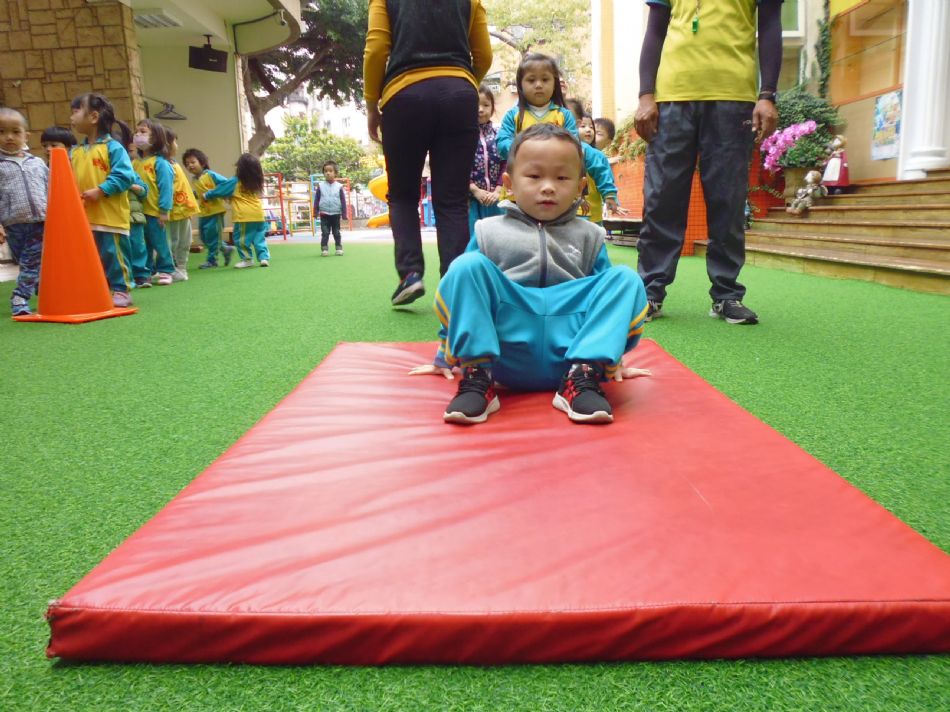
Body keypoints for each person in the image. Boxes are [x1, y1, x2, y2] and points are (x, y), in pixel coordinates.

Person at [412, 124, 650, 425]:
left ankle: (582, 378)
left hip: (572, 353)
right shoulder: (488, 232)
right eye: (535, 176)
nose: (548, 187)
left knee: (625, 279)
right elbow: (463, 293)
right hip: (504, 355)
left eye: (562, 178)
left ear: (580, 187)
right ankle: (477, 376)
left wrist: (613, 355)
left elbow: (609, 302)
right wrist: (444, 354)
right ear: (509, 183)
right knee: (466, 266)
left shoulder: (590, 235)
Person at [634, 0, 782, 325]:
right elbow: (655, 30)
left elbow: (770, 25)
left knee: (728, 199)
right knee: (662, 198)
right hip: (671, 98)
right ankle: (649, 292)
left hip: (734, 97)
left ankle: (726, 295)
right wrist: (646, 95)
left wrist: (768, 94)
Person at [363, 0, 493, 306]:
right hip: (459, 95)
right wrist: (463, 82)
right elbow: (484, 55)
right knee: (452, 198)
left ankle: (410, 274)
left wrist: (371, 104)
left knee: (403, 195)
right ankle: (455, 284)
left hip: (404, 96)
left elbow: (376, 49)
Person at [498, 54, 626, 221]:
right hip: (520, 192)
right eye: (531, 80)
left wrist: (609, 192)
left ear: (555, 83)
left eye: (545, 79)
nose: (538, 85)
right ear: (520, 84)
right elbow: (502, 143)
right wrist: (525, 151)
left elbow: (573, 147)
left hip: (554, 191)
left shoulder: (563, 116)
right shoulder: (513, 115)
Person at [69, 93, 136, 308]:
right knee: (92, 257)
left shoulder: (112, 147)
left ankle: (121, 289)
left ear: (94, 117)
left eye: (76, 111)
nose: (71, 117)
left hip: (110, 217)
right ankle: (98, 290)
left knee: (113, 254)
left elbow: (125, 176)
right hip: (85, 217)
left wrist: (101, 190)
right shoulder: (75, 151)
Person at [0, 107, 48, 316]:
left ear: (26, 136)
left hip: (40, 222)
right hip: (13, 224)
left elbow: (50, 188)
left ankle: (20, 297)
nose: (9, 137)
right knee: (26, 262)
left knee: (31, 261)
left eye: (15, 132)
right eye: (1, 132)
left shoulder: (37, 163)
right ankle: (42, 289)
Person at [203, 153, 269, 268]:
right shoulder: (255, 183)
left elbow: (221, 189)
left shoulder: (236, 181)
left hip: (244, 216)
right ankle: (263, 258)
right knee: (259, 238)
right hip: (259, 214)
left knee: (240, 239)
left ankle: (247, 259)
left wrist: (207, 195)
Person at [132, 119, 176, 286]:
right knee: (143, 244)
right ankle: (147, 271)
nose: (138, 135)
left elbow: (166, 188)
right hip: (139, 212)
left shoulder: (160, 163)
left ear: (156, 137)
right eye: (136, 132)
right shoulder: (135, 162)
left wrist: (164, 210)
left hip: (155, 212)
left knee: (159, 242)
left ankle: (166, 269)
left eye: (143, 132)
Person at [182, 147, 234, 269]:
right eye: (187, 164)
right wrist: (193, 196)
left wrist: (215, 193)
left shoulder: (210, 175)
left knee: (213, 237)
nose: (190, 165)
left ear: (202, 162)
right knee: (204, 237)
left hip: (215, 212)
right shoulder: (194, 179)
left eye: (193, 162)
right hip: (203, 213)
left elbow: (227, 183)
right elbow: (200, 193)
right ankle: (225, 249)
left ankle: (212, 260)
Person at [467, 84, 504, 239]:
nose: (480, 109)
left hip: (496, 199)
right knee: (474, 239)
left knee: (498, 239)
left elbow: (506, 163)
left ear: (492, 108)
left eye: (486, 105)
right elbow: (458, 166)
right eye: (475, 105)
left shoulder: (499, 134)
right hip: (471, 200)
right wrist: (475, 190)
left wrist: (498, 190)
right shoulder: (463, 136)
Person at [163, 129, 200, 281]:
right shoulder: (164, 164)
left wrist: (188, 208)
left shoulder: (173, 163)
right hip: (173, 209)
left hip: (182, 208)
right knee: (173, 240)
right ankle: (172, 268)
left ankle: (180, 268)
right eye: (174, 142)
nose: (176, 145)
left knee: (183, 240)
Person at [313, 160, 347, 256]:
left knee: (336, 232)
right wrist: (315, 212)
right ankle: (324, 249)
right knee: (325, 232)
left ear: (335, 173)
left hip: (336, 213)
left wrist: (344, 214)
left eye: (330, 171)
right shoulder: (320, 186)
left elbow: (343, 201)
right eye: (326, 171)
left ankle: (339, 248)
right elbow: (317, 200)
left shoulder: (339, 187)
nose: (328, 173)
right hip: (324, 214)